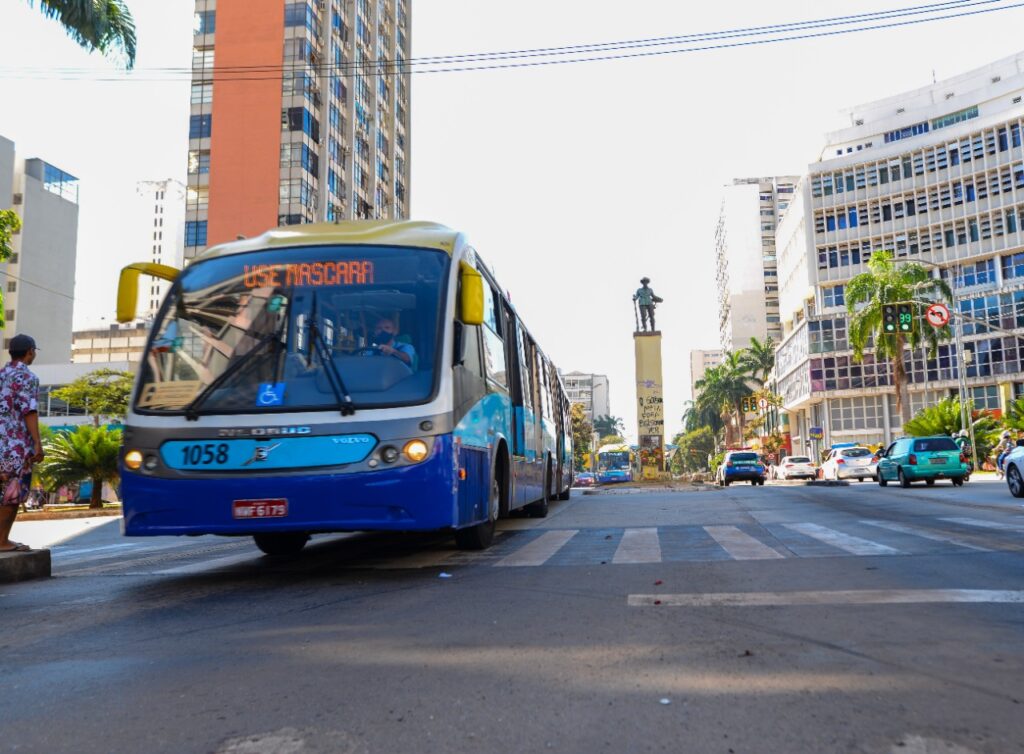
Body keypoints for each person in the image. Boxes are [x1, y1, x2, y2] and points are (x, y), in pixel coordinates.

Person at [0, 334, 44, 553]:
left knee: (3, 490)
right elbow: (29, 411)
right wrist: (37, 443)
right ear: (30, 351)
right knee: (12, 492)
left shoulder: (1, 374)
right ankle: (2, 541)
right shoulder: (27, 377)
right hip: (15, 445)